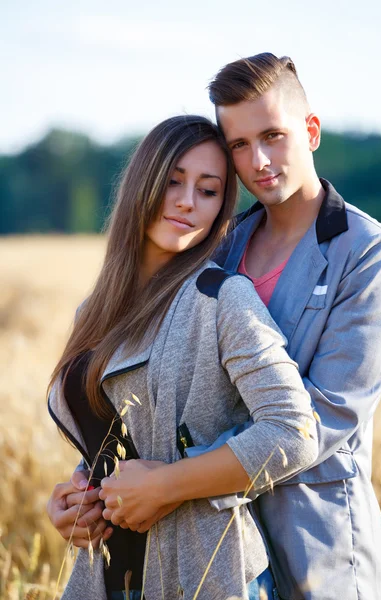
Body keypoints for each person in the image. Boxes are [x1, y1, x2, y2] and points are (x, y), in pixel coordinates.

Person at [48, 53, 381, 599]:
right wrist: (99, 486)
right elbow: (167, 392)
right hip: (203, 541)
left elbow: (319, 421)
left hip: (312, 537)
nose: (258, 160)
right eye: (238, 144)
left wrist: (165, 482)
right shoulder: (216, 242)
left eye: (273, 136)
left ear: (310, 132)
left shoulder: (369, 254)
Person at [47, 114, 318, 600]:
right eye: (173, 181)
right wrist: (76, 500)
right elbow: (118, 439)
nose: (187, 202)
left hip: (204, 574)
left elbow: (293, 433)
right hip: (105, 579)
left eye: (209, 190)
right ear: (141, 182)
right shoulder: (93, 312)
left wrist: (167, 485)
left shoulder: (221, 298)